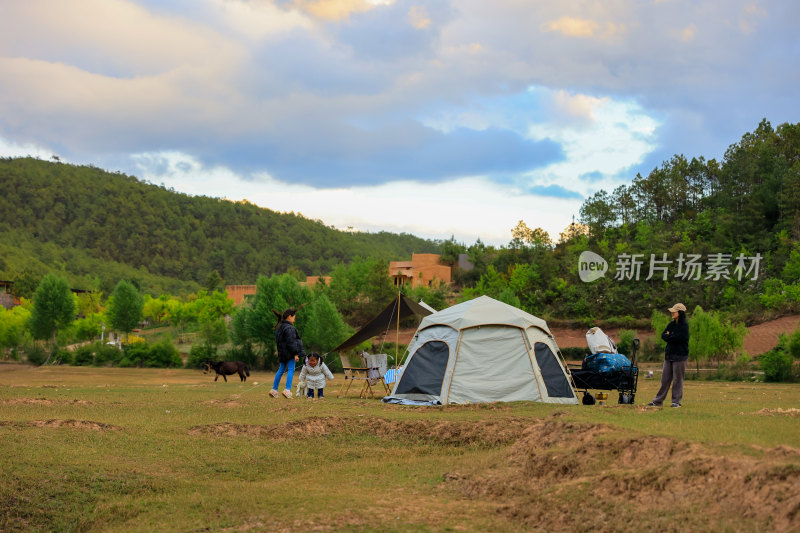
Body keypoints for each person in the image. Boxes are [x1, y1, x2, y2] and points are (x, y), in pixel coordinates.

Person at [648, 303, 689, 408]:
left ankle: (676, 402)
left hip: (680, 356)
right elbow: (663, 335)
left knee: (677, 380)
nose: (672, 313)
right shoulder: (671, 325)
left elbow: (679, 338)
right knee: (665, 379)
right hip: (669, 356)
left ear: (680, 312)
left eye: (674, 311)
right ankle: (658, 401)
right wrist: (671, 336)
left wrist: (669, 335)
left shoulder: (684, 326)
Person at [271, 308, 306, 399]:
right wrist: (295, 354)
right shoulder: (290, 328)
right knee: (291, 370)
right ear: (289, 317)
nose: (294, 319)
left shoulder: (280, 327)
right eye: (294, 317)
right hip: (290, 353)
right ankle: (287, 390)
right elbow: (291, 342)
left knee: (281, 370)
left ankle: (274, 390)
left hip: (282, 353)